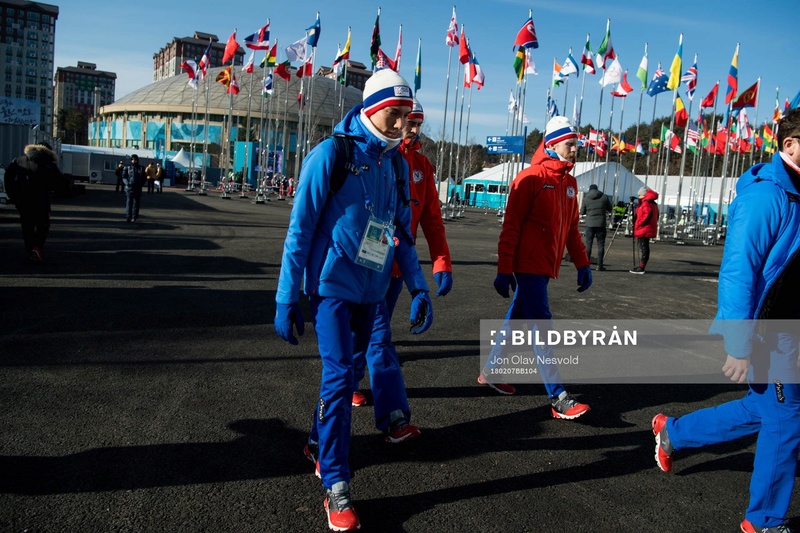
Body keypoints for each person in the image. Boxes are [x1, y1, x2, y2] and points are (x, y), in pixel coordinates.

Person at [274, 69, 434, 532]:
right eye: (395, 112)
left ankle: (315, 440)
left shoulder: (397, 164)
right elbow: (299, 229)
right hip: (331, 289)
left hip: (374, 290)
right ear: (371, 107)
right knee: (342, 374)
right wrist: (287, 296)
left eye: (408, 114)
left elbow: (402, 233)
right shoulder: (332, 154)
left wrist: (418, 285)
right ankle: (336, 484)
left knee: (344, 377)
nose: (403, 122)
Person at [652, 108, 800, 533]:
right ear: (789, 145)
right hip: (770, 331)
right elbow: (739, 271)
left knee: (763, 408)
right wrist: (738, 343)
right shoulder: (767, 196)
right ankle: (764, 520)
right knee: (786, 419)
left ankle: (673, 433)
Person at [350, 98, 453, 443]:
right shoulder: (377, 158)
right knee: (379, 338)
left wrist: (440, 263)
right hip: (367, 267)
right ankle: (394, 416)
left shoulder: (423, 166)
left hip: (398, 270)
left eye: (416, 122)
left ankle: (347, 383)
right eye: (406, 119)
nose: (410, 127)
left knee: (365, 336)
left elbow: (432, 221)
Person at [478, 116, 593, 420]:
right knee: (542, 327)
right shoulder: (530, 177)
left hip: (545, 267)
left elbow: (571, 230)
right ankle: (558, 396)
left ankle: (491, 371)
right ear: (552, 144)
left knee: (516, 320)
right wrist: (504, 268)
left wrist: (583, 263)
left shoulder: (569, 183)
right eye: (570, 144)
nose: (574, 149)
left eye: (576, 144)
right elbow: (511, 226)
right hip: (527, 266)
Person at [3, 142, 67, 263]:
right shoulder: (50, 164)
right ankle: (37, 247)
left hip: (23, 201)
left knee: (27, 227)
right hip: (42, 201)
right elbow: (60, 185)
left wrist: (14, 197)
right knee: (43, 226)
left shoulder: (18, 161)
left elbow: (8, 178)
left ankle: (31, 249)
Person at [580, 183, 612, 271]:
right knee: (601, 244)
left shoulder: (586, 199)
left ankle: (586, 264)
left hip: (589, 224)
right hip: (601, 224)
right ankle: (599, 265)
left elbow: (582, 212)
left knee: (588, 244)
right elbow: (610, 208)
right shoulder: (604, 197)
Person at [630, 186, 659, 274]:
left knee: (644, 247)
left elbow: (647, 214)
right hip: (649, 227)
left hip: (644, 228)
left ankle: (641, 267)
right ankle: (641, 266)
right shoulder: (653, 203)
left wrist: (639, 223)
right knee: (645, 247)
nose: (638, 197)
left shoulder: (646, 203)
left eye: (640, 195)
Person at [122, 154, 146, 222]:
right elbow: (124, 177)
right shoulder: (127, 167)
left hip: (138, 188)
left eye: (135, 159)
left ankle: (134, 216)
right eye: (132, 159)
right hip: (130, 188)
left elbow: (144, 177)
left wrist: (141, 184)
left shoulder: (141, 168)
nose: (133, 161)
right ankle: (128, 216)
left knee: (136, 203)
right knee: (129, 202)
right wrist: (127, 183)